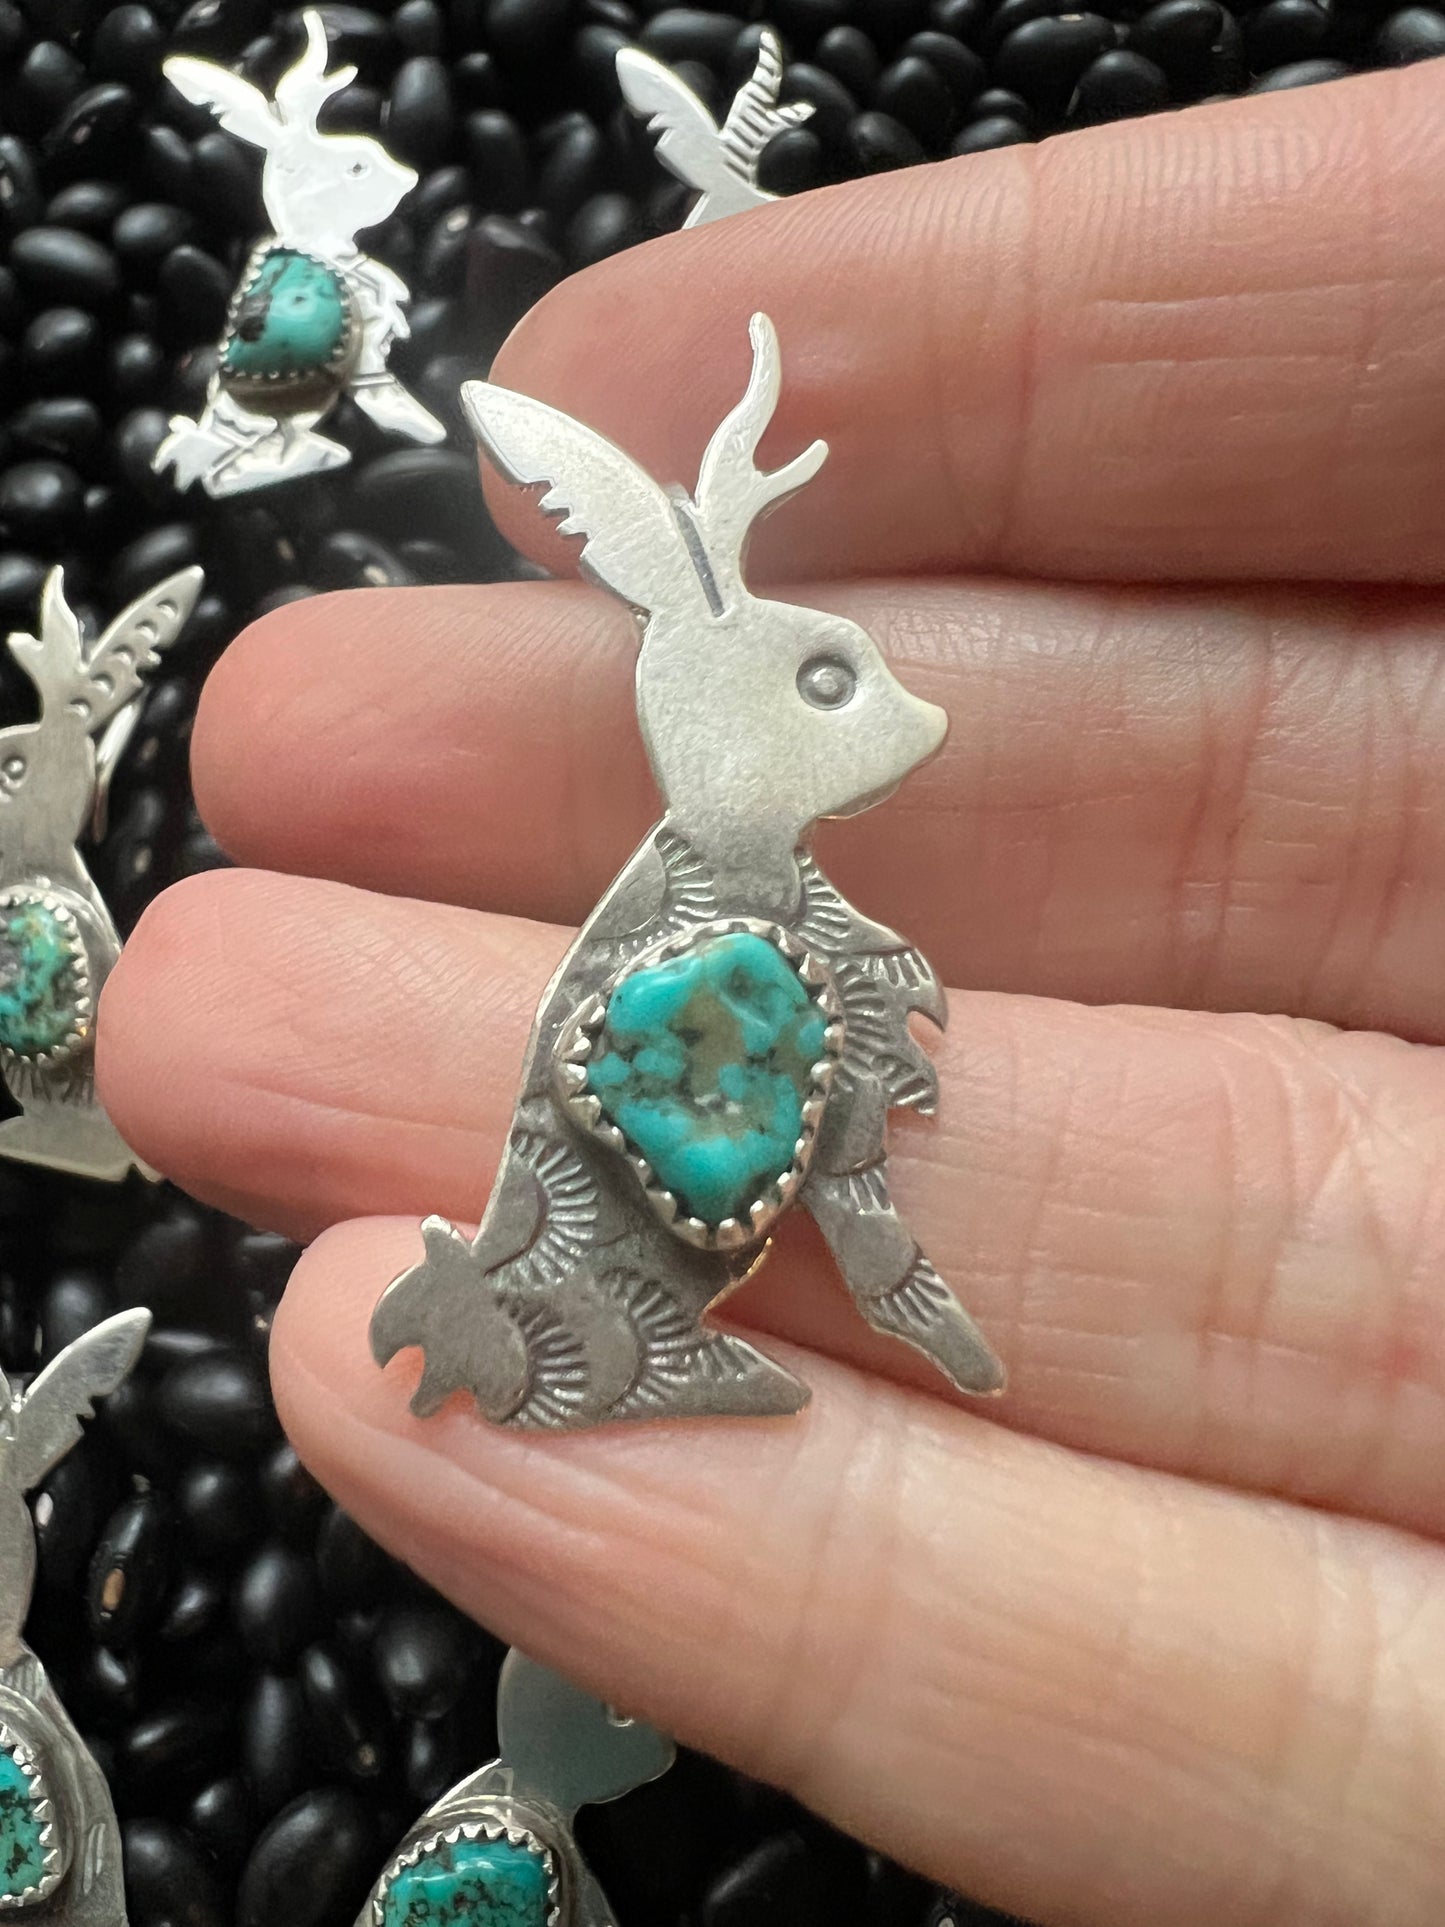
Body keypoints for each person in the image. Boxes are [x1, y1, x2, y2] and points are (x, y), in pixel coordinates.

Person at [99, 57, 1445, 1927]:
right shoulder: (709, 928)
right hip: (613, 1250)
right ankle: (596, 1335)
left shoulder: (771, 934)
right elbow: (664, 1096)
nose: (905, 719)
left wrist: (873, 1234)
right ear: (719, 696)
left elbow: (813, 1108)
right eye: (832, 686)